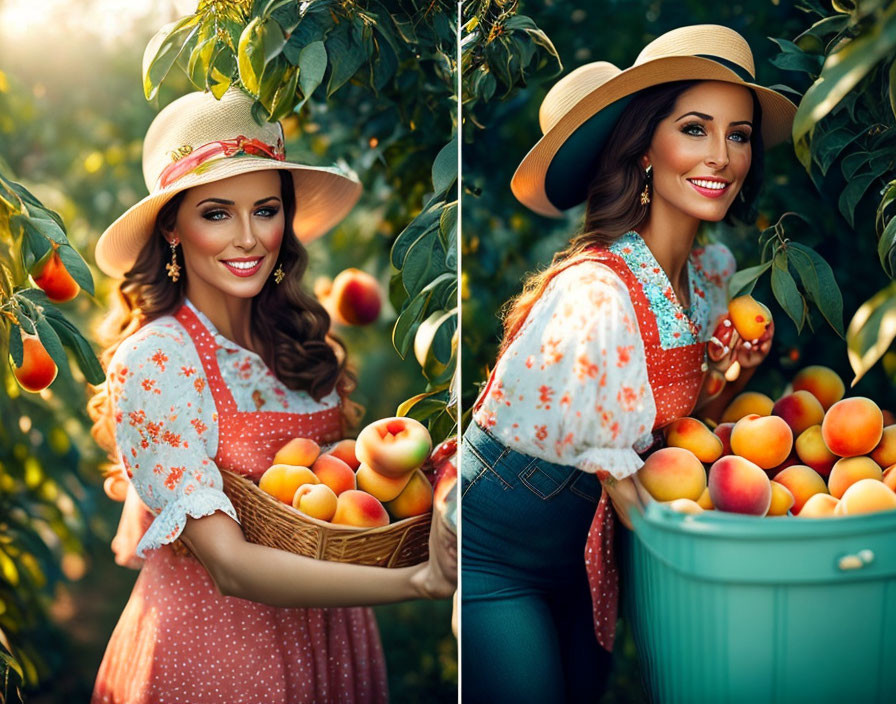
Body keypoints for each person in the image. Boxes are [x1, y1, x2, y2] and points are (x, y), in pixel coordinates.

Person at [87, 87, 456, 704]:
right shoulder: (158, 359)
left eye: (265, 209)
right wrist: (418, 581)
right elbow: (229, 566)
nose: (249, 238)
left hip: (332, 637)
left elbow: (347, 483)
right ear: (172, 227)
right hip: (218, 654)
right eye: (215, 213)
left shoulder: (298, 340)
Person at [461, 25, 796, 703]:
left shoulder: (711, 273)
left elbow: (666, 434)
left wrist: (733, 376)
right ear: (646, 145)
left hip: (582, 550)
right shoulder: (597, 292)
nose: (723, 156)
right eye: (696, 129)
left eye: (738, 134)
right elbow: (628, 483)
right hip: (493, 556)